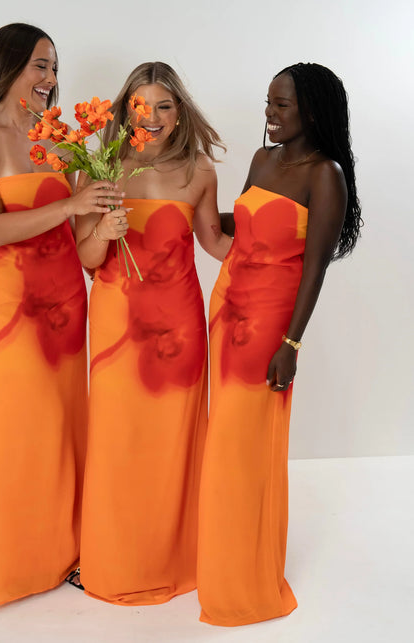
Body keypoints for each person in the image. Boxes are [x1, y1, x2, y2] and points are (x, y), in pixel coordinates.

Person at [0, 23, 123, 607]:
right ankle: (13, 569)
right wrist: (72, 202)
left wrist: (103, 214)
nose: (50, 78)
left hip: (65, 301)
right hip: (9, 309)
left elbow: (80, 236)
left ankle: (66, 555)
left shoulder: (61, 139)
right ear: (8, 64)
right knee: (18, 430)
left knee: (64, 426)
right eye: (40, 65)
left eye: (54, 68)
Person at [197, 63, 362, 626]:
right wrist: (181, 206)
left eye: (282, 104)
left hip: (269, 324)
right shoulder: (262, 159)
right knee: (224, 444)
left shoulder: (325, 175)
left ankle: (244, 583)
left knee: (243, 450)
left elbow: (315, 268)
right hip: (226, 309)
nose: (269, 113)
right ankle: (219, 564)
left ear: (311, 111)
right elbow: (244, 225)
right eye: (268, 102)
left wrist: (291, 342)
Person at [73, 61, 232, 605]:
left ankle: (171, 559)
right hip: (116, 326)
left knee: (170, 447)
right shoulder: (99, 169)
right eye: (142, 106)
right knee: (118, 442)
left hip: (178, 327)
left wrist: (277, 252)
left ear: (179, 111)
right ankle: (116, 560)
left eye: (165, 105)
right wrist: (104, 230)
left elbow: (215, 243)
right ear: (125, 111)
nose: (154, 116)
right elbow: (86, 258)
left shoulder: (199, 171)